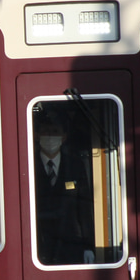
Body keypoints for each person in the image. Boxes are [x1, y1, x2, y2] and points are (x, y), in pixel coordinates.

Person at [33, 110, 95, 265]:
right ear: (36, 136)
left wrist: (88, 245)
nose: (49, 136)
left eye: (55, 132)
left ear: (64, 137)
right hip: (37, 243)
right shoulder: (28, 165)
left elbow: (84, 208)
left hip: (71, 244)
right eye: (45, 132)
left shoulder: (75, 165)